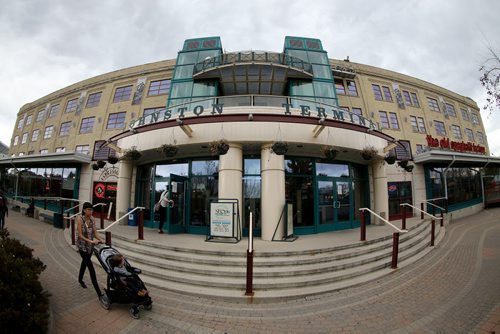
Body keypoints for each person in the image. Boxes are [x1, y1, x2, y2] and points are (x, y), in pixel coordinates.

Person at [76, 202, 103, 297]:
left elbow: (95, 232)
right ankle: (99, 294)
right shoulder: (79, 219)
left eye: (92, 209)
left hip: (90, 247)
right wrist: (89, 241)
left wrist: (100, 239)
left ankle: (80, 279)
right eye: (89, 209)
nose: (91, 211)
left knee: (84, 263)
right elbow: (80, 234)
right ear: (84, 210)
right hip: (82, 246)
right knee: (91, 268)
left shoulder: (92, 219)